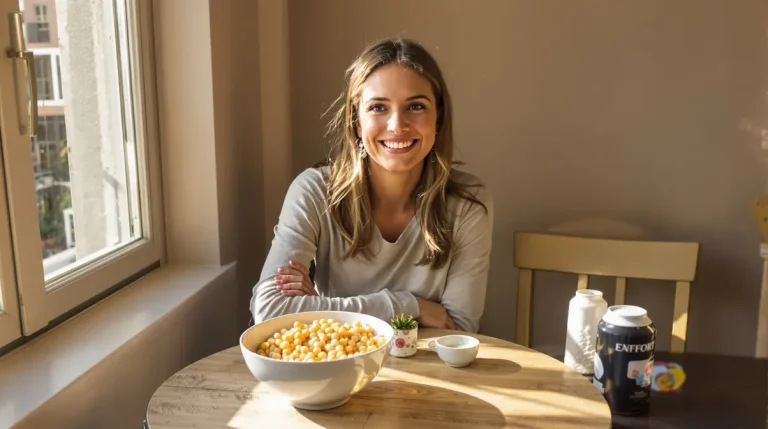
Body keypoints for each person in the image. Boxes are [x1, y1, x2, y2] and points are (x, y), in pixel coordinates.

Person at [250, 37, 493, 332]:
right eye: (378, 107)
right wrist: (408, 305)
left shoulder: (468, 205)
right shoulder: (313, 191)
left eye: (416, 106)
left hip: (428, 376)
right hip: (336, 373)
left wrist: (318, 308)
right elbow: (270, 311)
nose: (397, 125)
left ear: (438, 118)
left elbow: (457, 331)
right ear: (356, 121)